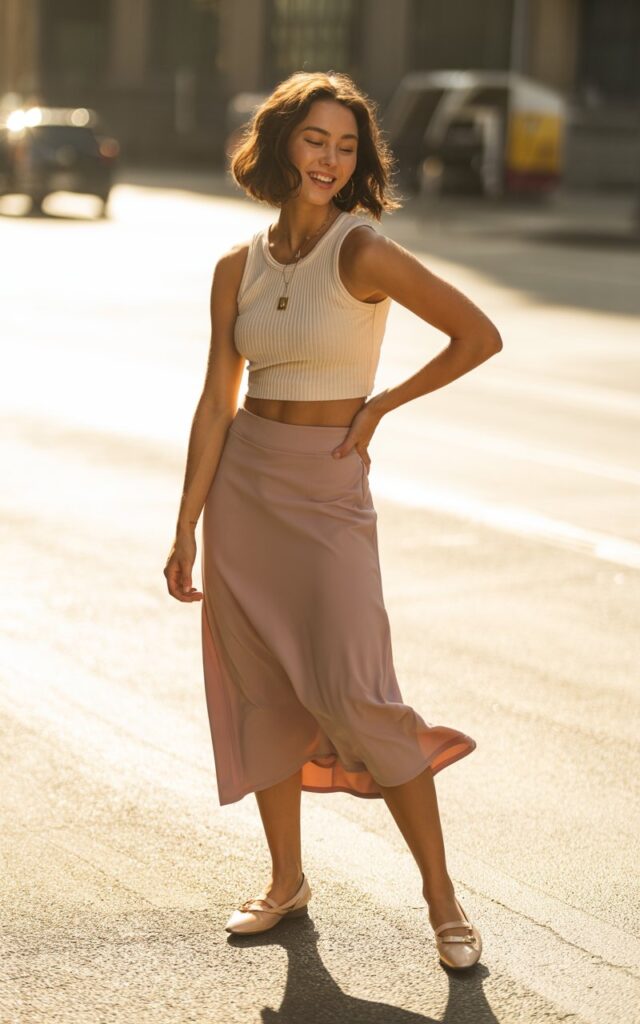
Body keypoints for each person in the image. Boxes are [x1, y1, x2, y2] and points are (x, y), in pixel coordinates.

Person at [163, 70, 502, 971]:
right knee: (262, 689)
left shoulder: (363, 250)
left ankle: (442, 900)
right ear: (281, 144)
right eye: (316, 140)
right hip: (246, 488)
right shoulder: (235, 266)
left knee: (361, 694)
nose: (331, 158)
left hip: (327, 487)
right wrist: (186, 523)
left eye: (347, 146)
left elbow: (478, 335)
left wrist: (384, 403)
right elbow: (213, 402)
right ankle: (286, 882)